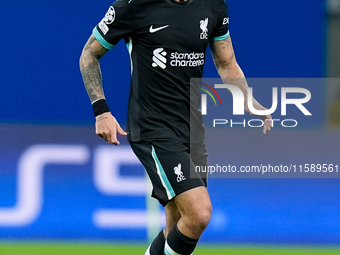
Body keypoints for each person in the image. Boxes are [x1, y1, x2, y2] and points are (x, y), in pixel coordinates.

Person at [79, 0, 272, 254]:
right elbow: (89, 54)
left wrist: (248, 100)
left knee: (178, 221)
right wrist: (101, 110)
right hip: (152, 125)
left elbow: (226, 63)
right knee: (199, 212)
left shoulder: (213, 5)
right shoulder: (133, 5)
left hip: (192, 128)